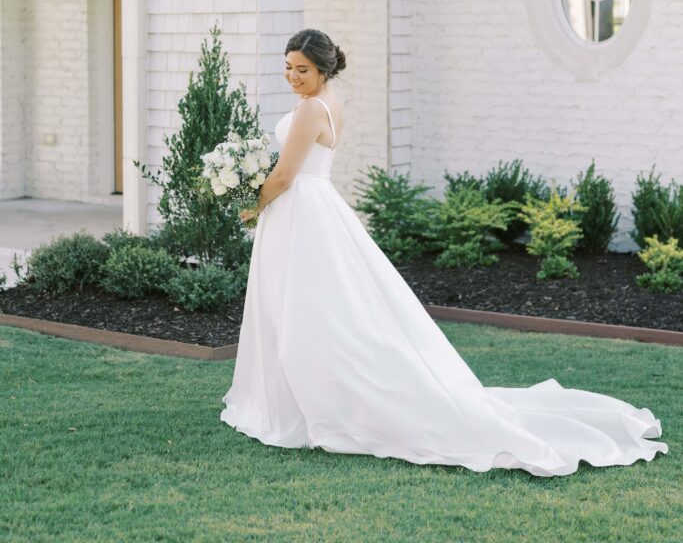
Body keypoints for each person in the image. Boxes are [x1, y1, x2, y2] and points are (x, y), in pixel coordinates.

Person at [220, 28, 668, 475]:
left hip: (301, 213)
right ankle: (303, 397)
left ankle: (310, 404)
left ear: (322, 69)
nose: (292, 76)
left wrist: (247, 204)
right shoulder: (328, 102)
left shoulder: (310, 110)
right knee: (317, 309)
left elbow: (282, 178)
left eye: (302, 69)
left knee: (302, 309)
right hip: (313, 210)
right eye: (288, 67)